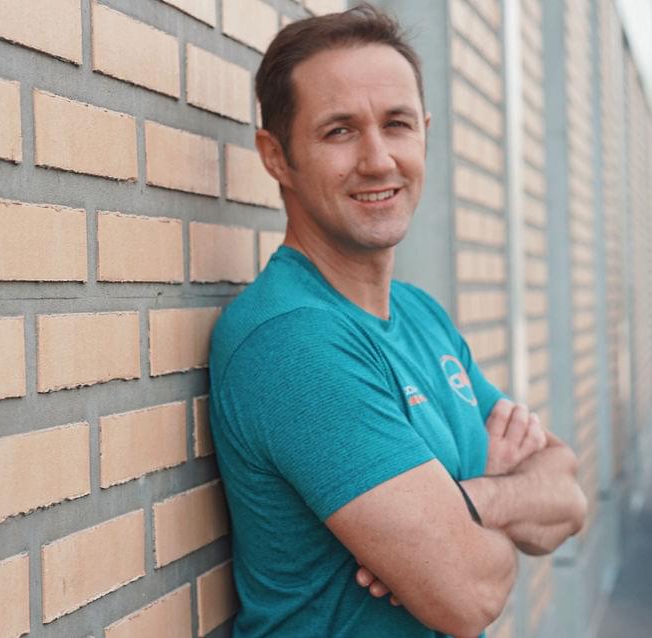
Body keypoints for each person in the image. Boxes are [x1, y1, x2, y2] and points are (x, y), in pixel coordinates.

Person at [207, 5, 588, 637]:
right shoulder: (294, 341)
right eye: (339, 131)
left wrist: (469, 501)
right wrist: (481, 515)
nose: (379, 159)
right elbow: (469, 594)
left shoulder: (420, 315)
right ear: (276, 157)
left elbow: (567, 496)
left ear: (425, 135)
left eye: (397, 124)